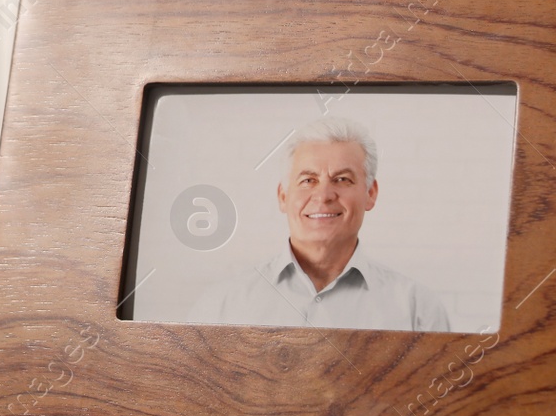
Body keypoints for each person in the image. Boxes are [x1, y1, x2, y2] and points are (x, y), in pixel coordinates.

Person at [187, 117, 450, 332]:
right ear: (283, 196)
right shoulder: (221, 306)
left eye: (343, 179)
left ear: (370, 193)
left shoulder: (418, 311)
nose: (324, 196)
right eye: (308, 180)